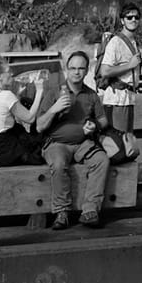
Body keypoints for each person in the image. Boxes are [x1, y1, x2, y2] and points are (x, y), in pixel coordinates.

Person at [35, 50, 114, 229]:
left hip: (82, 143)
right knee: (58, 163)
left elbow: (103, 119)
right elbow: (39, 126)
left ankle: (90, 210)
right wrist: (54, 109)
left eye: (80, 68)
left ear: (86, 71)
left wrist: (94, 125)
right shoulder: (54, 92)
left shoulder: (91, 95)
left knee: (101, 160)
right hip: (57, 143)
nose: (76, 72)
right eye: (72, 68)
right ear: (66, 70)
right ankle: (62, 212)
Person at [0, 62, 43, 168]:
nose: (12, 74)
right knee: (36, 148)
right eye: (8, 72)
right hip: (2, 150)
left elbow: (3, 115)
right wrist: (39, 91)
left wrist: (17, 95)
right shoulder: (6, 96)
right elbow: (30, 118)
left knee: (17, 129)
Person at [97, 6, 142, 150]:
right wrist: (131, 65)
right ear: (122, 21)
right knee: (119, 143)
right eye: (129, 17)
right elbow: (105, 70)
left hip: (128, 97)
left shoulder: (134, 42)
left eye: (136, 17)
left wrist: (140, 64)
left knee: (127, 141)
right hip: (117, 98)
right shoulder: (116, 42)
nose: (133, 20)